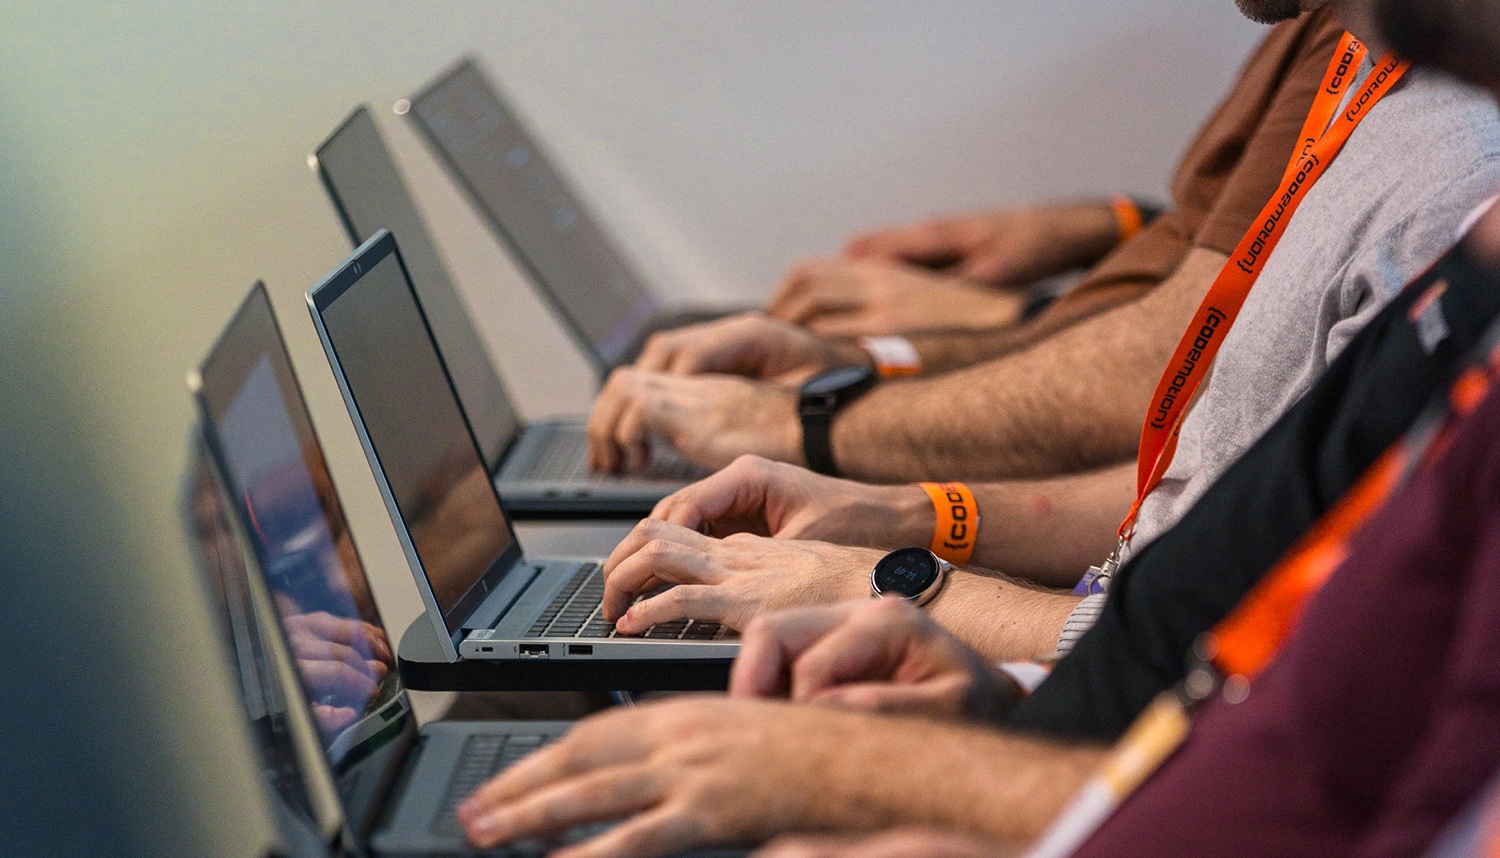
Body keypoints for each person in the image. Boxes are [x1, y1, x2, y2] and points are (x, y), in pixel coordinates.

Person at [450, 1, 1500, 854]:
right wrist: (920, 539)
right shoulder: (1384, 103)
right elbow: (1202, 503)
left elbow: (1298, 757)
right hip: (1072, 704)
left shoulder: (1454, 165)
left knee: (515, 720)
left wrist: (895, 648)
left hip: (1092, 740)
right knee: (508, 699)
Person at [587, 3, 1500, 665]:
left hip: (1109, 698)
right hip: (1087, 638)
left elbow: (1234, 654)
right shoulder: (1376, 86)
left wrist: (884, 567)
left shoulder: (1457, 174)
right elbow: (1198, 491)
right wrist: (907, 515)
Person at [585, 11, 1344, 481]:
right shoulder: (1307, 24)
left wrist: (803, 422)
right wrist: (1108, 224)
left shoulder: (1356, 48)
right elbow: (1218, 260)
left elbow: (1162, 367)